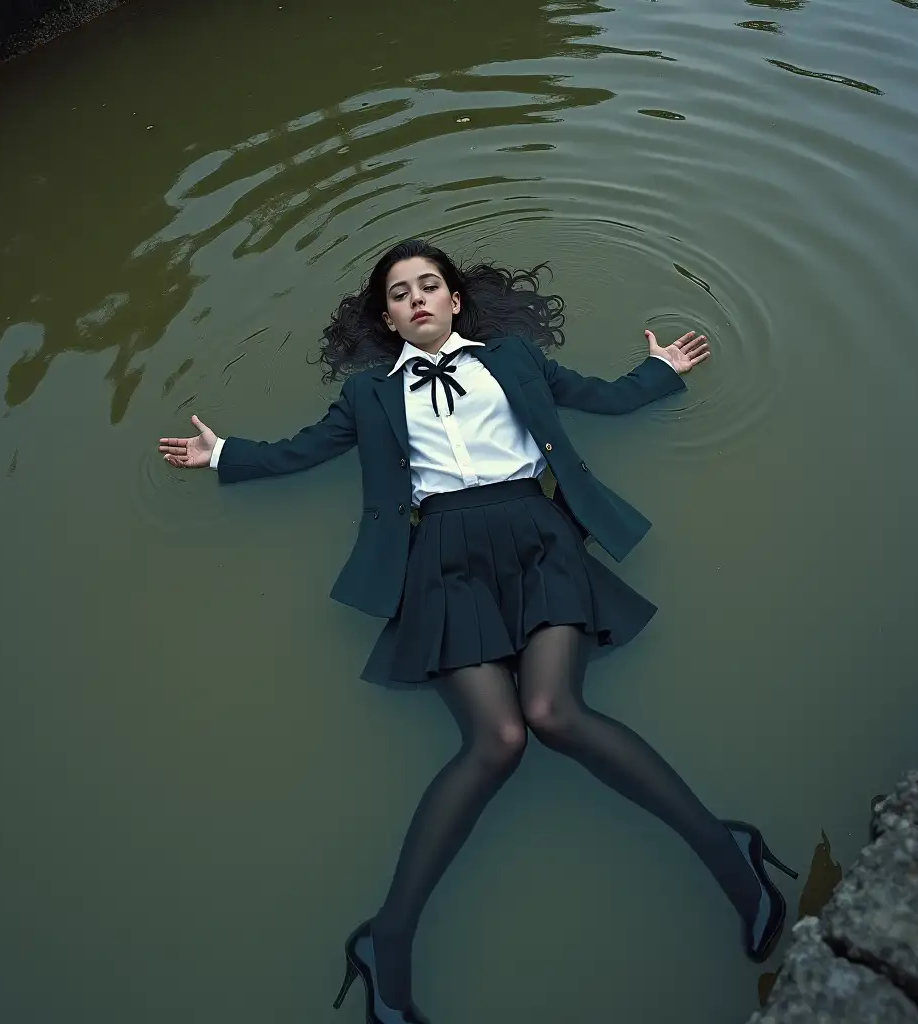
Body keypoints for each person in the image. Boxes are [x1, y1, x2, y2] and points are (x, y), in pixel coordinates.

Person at [157, 239, 797, 1023]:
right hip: (442, 559)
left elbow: (595, 395)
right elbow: (301, 450)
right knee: (497, 740)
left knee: (554, 712)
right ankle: (386, 940)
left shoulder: (516, 360)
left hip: (538, 538)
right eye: (400, 293)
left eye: (430, 285)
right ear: (387, 318)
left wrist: (659, 373)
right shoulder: (368, 398)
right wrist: (222, 454)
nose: (417, 298)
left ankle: (726, 851)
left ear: (456, 301)